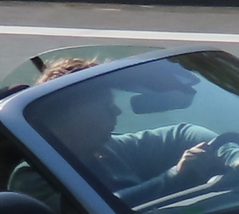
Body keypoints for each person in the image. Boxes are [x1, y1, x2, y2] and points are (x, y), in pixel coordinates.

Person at [28, 56, 228, 200]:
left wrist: (234, 156)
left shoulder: (106, 149)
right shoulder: (35, 175)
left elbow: (183, 134)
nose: (117, 111)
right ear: (71, 115)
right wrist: (175, 177)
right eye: (106, 106)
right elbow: (98, 211)